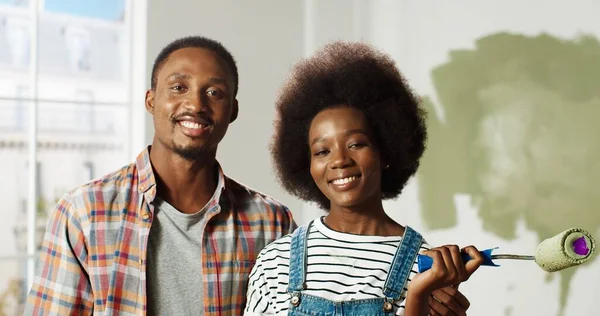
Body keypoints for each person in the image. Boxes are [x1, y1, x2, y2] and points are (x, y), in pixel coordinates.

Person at [25, 36, 296, 316]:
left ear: (233, 111)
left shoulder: (272, 224)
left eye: (214, 92)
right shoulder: (84, 213)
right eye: (179, 87)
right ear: (151, 101)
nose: (196, 103)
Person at [244, 42, 484, 316]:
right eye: (322, 151)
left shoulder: (425, 268)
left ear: (387, 152)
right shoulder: (277, 261)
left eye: (356, 144)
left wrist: (419, 293)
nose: (339, 161)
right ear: (306, 165)